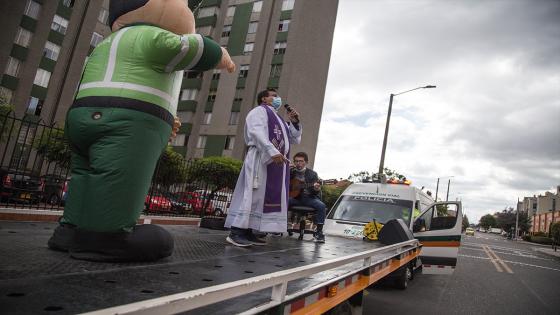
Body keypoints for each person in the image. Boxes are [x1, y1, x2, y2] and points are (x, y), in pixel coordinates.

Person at [47, 0, 235, 262]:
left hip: (82, 115)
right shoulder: (150, 34)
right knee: (120, 174)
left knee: (85, 175)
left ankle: (69, 230)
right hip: (128, 119)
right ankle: (106, 237)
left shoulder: (107, 42)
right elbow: (185, 48)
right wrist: (218, 53)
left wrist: (167, 116)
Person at [225, 88, 302, 247]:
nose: (277, 98)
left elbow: (294, 139)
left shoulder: (279, 119)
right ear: (263, 99)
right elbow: (256, 132)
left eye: (277, 96)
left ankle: (249, 231)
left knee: (260, 198)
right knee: (252, 194)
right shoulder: (258, 111)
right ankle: (236, 232)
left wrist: (294, 122)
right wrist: (271, 150)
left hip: (276, 163)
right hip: (261, 158)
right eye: (273, 96)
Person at [289, 152, 327, 243]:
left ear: (306, 162)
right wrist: (286, 170)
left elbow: (314, 192)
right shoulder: (290, 172)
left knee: (321, 206)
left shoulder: (312, 174)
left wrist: (316, 188)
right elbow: (284, 184)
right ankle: (276, 227)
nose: (298, 163)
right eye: (296, 161)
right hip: (294, 198)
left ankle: (319, 232)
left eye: (301, 161)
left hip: (308, 198)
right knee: (281, 202)